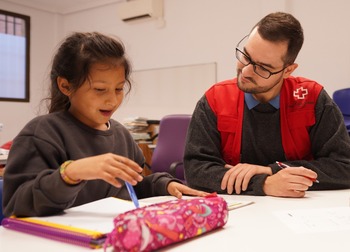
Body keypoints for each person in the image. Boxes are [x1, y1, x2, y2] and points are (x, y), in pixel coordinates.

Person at [2, 32, 207, 217]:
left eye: (118, 89)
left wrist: (164, 184)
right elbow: (16, 206)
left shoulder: (121, 135)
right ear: (65, 86)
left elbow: (133, 188)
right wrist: (71, 172)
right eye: (100, 90)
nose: (112, 100)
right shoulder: (42, 134)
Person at [184, 12, 350, 198]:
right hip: (238, 214)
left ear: (288, 70)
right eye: (246, 56)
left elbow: (344, 167)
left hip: (300, 210)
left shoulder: (311, 98)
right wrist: (264, 184)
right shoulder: (215, 99)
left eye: (262, 68)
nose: (245, 71)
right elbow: (195, 170)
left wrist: (271, 170)